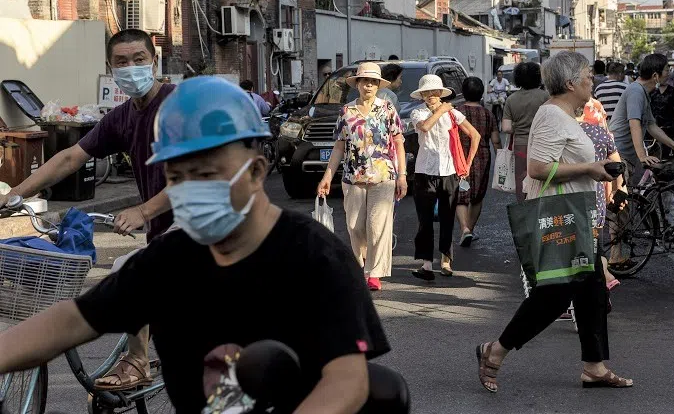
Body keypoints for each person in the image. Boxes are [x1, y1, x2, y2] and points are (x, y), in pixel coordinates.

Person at [0, 76, 390, 413]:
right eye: (176, 176)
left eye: (205, 173)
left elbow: (347, 380)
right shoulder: (168, 262)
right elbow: (72, 320)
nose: (189, 188)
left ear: (255, 171)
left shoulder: (315, 257)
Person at [0, 28, 175, 391]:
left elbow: (200, 177)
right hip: (161, 232)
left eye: (139, 60)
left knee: (131, 270)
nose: (131, 68)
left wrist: (143, 211)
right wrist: (13, 194)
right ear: (111, 68)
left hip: (200, 226)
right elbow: (69, 157)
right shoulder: (121, 118)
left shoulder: (179, 107)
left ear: (154, 61)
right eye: (122, 62)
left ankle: (138, 362)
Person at [475, 51, 629, 394]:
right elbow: (538, 169)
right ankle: (495, 350)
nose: (592, 81)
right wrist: (590, 169)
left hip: (578, 215)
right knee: (555, 295)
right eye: (588, 76)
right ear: (571, 82)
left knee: (591, 291)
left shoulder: (566, 116)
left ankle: (594, 366)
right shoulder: (550, 116)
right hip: (559, 218)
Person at [317, 63, 407, 291]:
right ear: (357, 84)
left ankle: (374, 273)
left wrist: (402, 175)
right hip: (353, 177)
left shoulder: (387, 109)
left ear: (378, 85)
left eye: (373, 82)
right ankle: (361, 265)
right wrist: (327, 176)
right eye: (364, 81)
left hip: (383, 176)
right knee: (355, 226)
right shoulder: (346, 111)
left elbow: (398, 143)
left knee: (377, 226)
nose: (369, 85)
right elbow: (339, 147)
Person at [410, 75, 481, 280]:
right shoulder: (418, 112)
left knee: (447, 217)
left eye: (434, 92)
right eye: (426, 93)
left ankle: (446, 261)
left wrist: (466, 164)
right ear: (421, 95)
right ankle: (426, 264)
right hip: (424, 171)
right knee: (424, 220)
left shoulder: (454, 114)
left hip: (449, 171)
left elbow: (474, 135)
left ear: (441, 93)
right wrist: (441, 110)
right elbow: (424, 127)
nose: (430, 96)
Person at [609, 54, 674, 188]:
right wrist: (642, 156)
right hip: (620, 154)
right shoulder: (636, 91)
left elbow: (651, 126)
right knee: (624, 201)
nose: (669, 73)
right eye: (667, 70)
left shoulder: (644, 93)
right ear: (655, 76)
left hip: (630, 155)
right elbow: (635, 124)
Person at [577, 98, 625, 291]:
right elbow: (617, 165)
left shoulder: (563, 132)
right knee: (594, 242)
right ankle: (602, 273)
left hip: (570, 198)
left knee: (575, 246)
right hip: (596, 199)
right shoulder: (601, 133)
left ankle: (602, 274)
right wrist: (616, 189)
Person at [456, 77, 501, 247]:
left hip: (459, 158)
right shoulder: (488, 114)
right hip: (481, 158)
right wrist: (501, 159)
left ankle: (464, 229)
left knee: (461, 195)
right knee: (477, 196)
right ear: (481, 93)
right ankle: (470, 230)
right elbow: (496, 140)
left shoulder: (456, 112)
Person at [501, 62, 550, 203]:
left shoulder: (511, 99)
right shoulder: (545, 96)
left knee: (521, 177)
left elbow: (506, 128)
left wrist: (519, 126)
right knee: (542, 176)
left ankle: (523, 207)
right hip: (543, 143)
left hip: (521, 144)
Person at [648, 64, 674, 158]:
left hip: (669, 126)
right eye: (666, 72)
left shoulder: (672, 91)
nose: (667, 75)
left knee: (666, 153)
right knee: (654, 153)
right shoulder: (652, 91)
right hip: (654, 126)